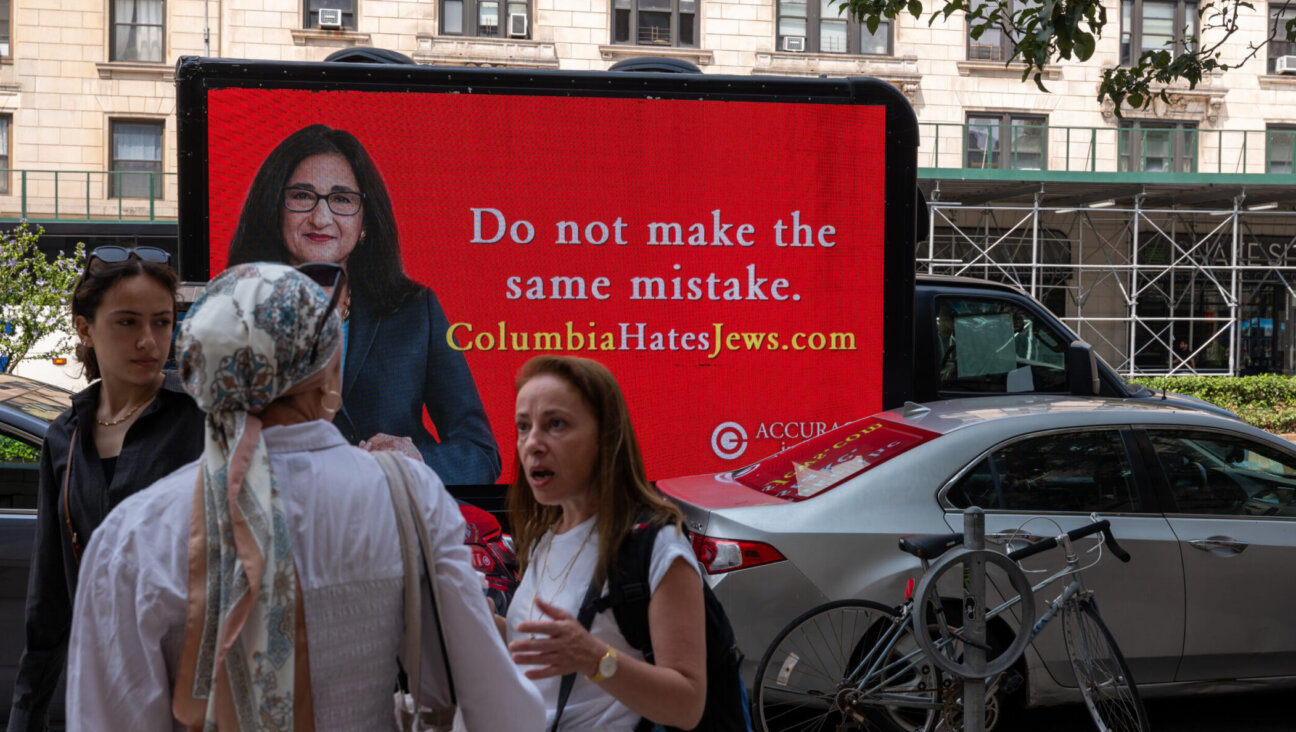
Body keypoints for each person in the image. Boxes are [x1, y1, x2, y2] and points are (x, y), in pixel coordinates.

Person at [64, 262, 543, 730]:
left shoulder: (132, 535)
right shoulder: (406, 495)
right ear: (331, 367)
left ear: (201, 376)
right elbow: (500, 711)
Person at [226, 123, 500, 485]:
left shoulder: (416, 312)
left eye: (342, 199)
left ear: (364, 220)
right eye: (302, 196)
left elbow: (481, 454)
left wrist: (414, 460)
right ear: (275, 211)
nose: (321, 217)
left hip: (396, 529)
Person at [6, 246, 205, 732]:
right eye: (127, 322)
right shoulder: (64, 435)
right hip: (106, 686)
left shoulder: (204, 418)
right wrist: (26, 714)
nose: (149, 341)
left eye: (162, 322)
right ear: (85, 329)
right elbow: (50, 592)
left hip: (198, 687)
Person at [504, 355, 706, 731]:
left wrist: (595, 658)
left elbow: (687, 704)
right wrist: (474, 619)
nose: (532, 443)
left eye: (556, 424)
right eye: (523, 426)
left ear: (605, 436)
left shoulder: (658, 545)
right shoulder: (546, 535)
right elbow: (542, 645)